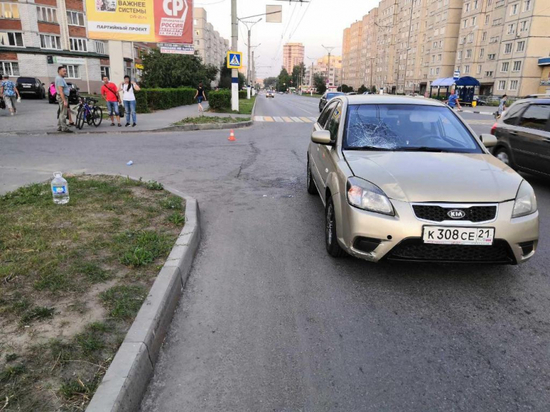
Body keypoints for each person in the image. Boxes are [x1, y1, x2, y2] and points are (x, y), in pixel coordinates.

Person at [55, 66, 73, 133]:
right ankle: (64, 128)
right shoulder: (60, 79)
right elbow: (61, 91)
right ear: (59, 71)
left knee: (61, 112)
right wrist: (64, 100)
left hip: (62, 96)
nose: (65, 72)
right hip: (63, 97)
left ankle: (60, 126)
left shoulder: (60, 78)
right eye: (63, 71)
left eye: (65, 71)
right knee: (63, 113)